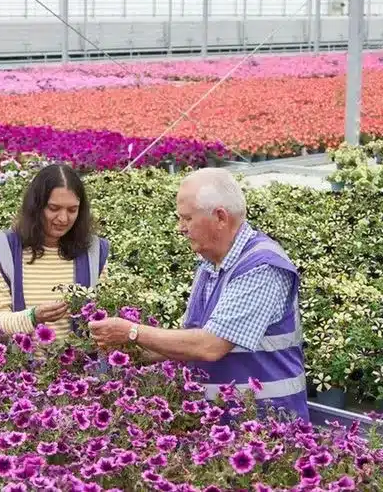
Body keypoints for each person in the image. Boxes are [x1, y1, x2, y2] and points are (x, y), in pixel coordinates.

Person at [88, 168, 309, 422]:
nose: (180, 228)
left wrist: (132, 332)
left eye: (187, 218)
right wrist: (136, 352)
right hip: (224, 424)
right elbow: (192, 339)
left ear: (220, 217)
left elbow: (210, 346)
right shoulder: (210, 264)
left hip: (268, 429)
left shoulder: (262, 266)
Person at [0, 164, 110, 341]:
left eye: (72, 210)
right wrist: (33, 317)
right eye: (53, 209)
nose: (63, 219)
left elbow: (105, 312)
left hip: (80, 366)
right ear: (36, 207)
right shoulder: (1, 250)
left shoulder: (94, 251)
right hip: (20, 366)